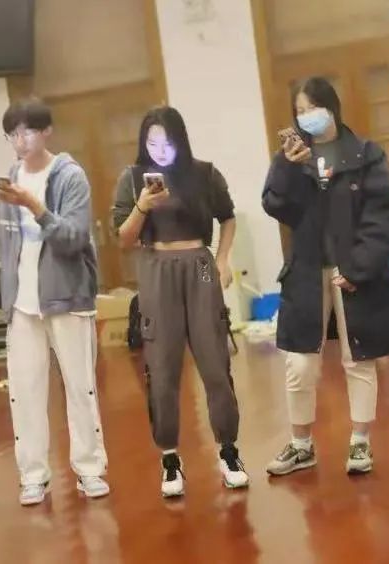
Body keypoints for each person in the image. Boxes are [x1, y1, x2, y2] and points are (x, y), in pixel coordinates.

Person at [261, 77, 389, 477]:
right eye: (300, 111)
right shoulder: (291, 158)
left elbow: (383, 217)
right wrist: (287, 167)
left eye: (313, 107)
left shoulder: (365, 154)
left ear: (332, 107)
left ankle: (360, 441)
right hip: (307, 270)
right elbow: (274, 205)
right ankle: (301, 445)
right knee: (299, 363)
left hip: (353, 270)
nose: (306, 116)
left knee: (358, 358)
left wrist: (360, 267)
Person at [112, 105, 249, 498]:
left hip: (199, 265)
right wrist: (142, 206)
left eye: (166, 142)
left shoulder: (204, 173)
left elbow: (228, 217)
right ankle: (170, 457)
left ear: (181, 140)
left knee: (215, 362)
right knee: (162, 366)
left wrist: (221, 260)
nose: (159, 149)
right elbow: (123, 239)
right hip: (156, 266)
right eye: (152, 141)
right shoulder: (132, 178)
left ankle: (228, 451)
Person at [0, 98, 109, 506]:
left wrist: (36, 207)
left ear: (46, 131)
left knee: (80, 388)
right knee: (24, 391)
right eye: (11, 134)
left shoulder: (69, 176)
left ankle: (90, 470)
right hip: (22, 302)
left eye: (26, 131)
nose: (19, 141)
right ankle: (33, 476)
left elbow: (74, 237)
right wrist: (9, 295)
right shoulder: (11, 176)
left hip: (67, 295)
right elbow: (6, 241)